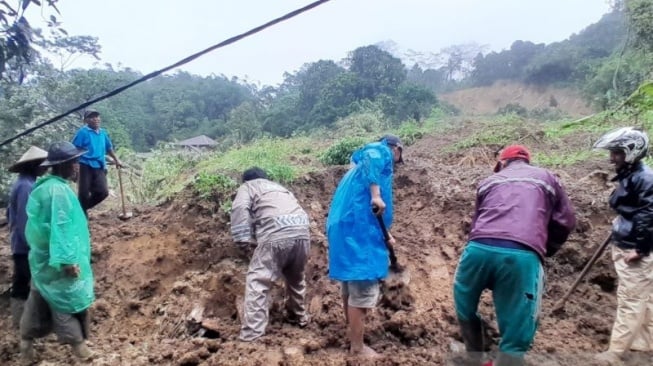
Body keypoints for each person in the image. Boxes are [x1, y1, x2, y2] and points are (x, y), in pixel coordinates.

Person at [453, 144, 576, 366]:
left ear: (502, 163)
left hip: (477, 249)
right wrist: (546, 249)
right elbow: (566, 222)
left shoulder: (489, 181)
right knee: (517, 331)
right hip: (521, 254)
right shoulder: (547, 178)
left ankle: (474, 357)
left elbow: (477, 220)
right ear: (527, 162)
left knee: (465, 305)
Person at [326, 134, 404, 358]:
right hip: (358, 233)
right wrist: (377, 195)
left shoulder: (355, 172)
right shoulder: (378, 152)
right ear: (396, 149)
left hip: (348, 227)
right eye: (397, 158)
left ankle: (351, 336)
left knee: (351, 285)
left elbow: (365, 208)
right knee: (362, 285)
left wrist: (386, 234)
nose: (395, 163)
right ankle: (358, 349)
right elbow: (372, 155)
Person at [20, 141, 95, 361]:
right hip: (58, 261)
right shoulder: (58, 191)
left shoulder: (43, 187)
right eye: (75, 162)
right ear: (64, 165)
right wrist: (68, 260)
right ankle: (81, 350)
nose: (77, 167)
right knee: (65, 303)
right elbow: (61, 228)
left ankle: (25, 348)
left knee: (38, 299)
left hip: (42, 259)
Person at [593, 127, 653, 362]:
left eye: (616, 152)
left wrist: (639, 249)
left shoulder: (644, 178)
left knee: (631, 298)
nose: (611, 158)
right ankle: (644, 342)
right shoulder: (632, 175)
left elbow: (649, 216)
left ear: (631, 152)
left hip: (634, 248)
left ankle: (615, 352)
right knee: (645, 298)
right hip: (628, 240)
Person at [230, 167, 311, 342]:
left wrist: (242, 239)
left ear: (246, 180)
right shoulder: (280, 188)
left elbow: (239, 208)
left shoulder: (249, 187)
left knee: (258, 280)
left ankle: (252, 333)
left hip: (276, 234)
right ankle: (299, 317)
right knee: (296, 277)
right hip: (303, 232)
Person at [6, 146, 48, 328]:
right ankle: (21, 324)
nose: (46, 168)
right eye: (42, 165)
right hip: (25, 246)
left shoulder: (24, 183)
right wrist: (33, 244)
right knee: (23, 283)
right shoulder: (27, 187)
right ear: (34, 166)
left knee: (23, 280)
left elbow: (10, 214)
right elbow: (25, 221)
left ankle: (23, 322)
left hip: (19, 243)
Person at [71, 109, 122, 215]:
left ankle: (79, 210)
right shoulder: (82, 132)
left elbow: (109, 148)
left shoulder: (102, 133)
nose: (95, 119)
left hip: (99, 165)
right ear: (86, 121)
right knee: (83, 194)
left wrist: (117, 160)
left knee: (103, 192)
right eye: (92, 117)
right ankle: (82, 215)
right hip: (84, 165)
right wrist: (75, 166)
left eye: (97, 116)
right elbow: (74, 149)